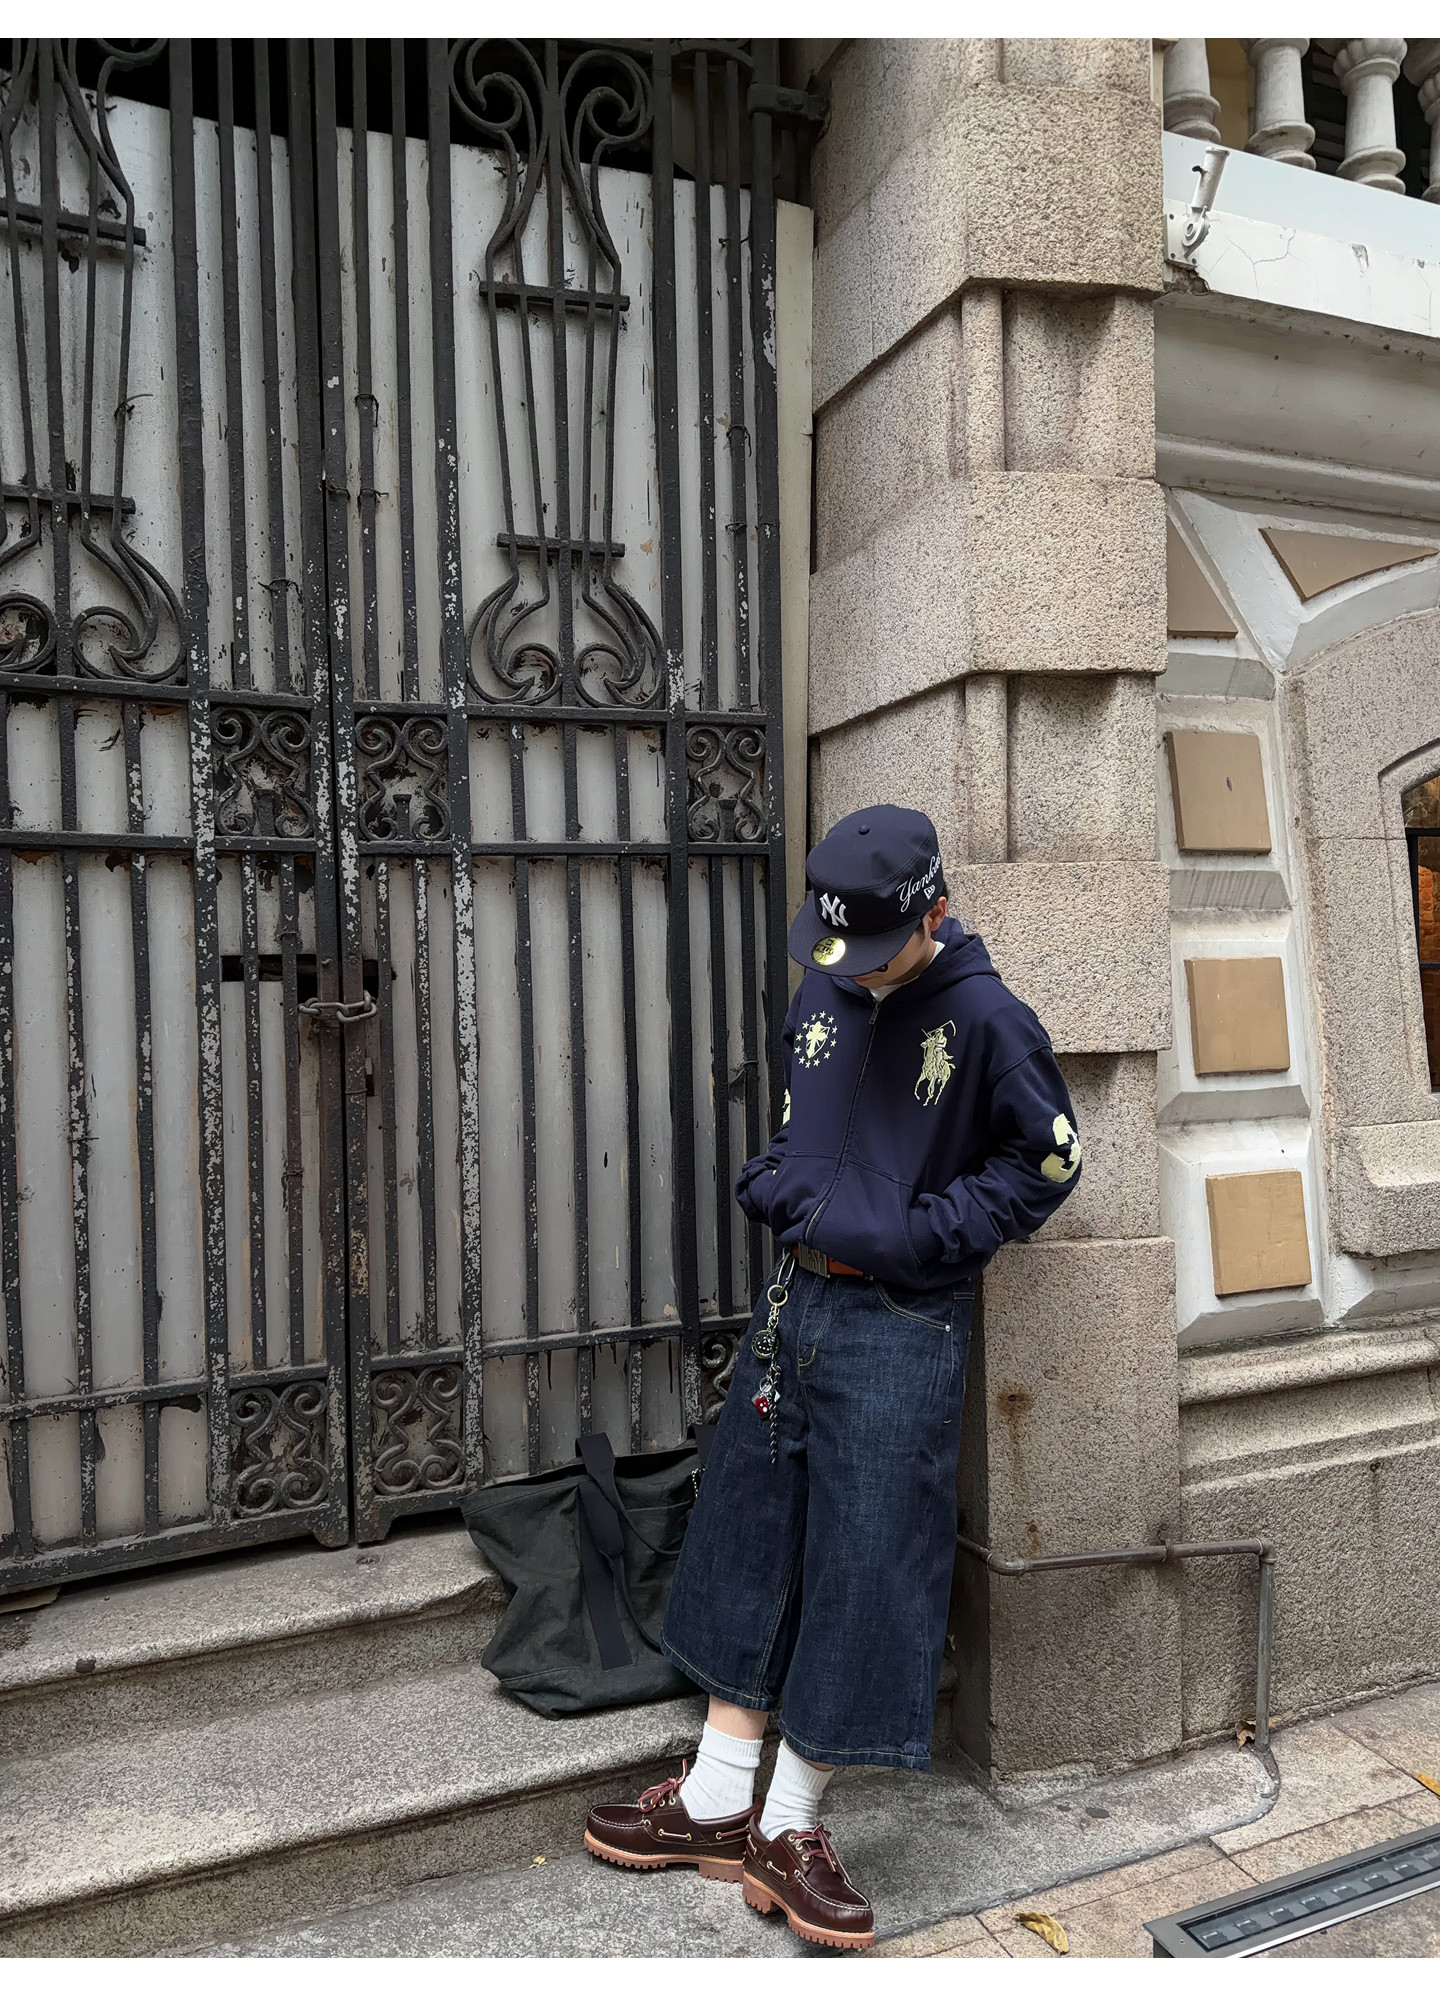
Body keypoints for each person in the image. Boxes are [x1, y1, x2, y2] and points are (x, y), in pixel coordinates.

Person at [583, 804, 1082, 1949]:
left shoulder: (991, 1019)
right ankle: (716, 1799)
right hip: (793, 1301)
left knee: (869, 1555)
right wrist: (780, 1178)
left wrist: (917, 1234)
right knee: (749, 1526)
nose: (850, 971)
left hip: (903, 1318)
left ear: (934, 912)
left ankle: (790, 1825)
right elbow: (806, 1115)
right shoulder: (826, 977)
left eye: (876, 952)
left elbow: (1050, 1161)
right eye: (838, 947)